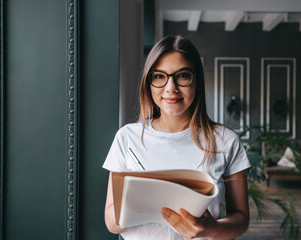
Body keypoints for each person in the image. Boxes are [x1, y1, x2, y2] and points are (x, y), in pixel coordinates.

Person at [103, 35, 251, 240]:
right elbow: (111, 222)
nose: (170, 87)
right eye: (159, 76)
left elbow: (241, 219)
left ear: (196, 80)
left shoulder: (226, 140)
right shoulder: (127, 138)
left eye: (182, 76)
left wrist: (211, 229)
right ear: (149, 82)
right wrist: (133, 208)